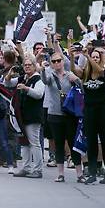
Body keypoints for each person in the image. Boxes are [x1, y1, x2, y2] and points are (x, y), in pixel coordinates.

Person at [76, 48, 105, 185]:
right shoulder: (86, 73)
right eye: (93, 57)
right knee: (92, 142)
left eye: (96, 57)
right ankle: (92, 172)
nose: (94, 59)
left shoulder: (103, 72)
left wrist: (88, 55)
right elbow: (73, 69)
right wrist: (72, 56)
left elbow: (100, 70)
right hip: (90, 111)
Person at [41, 51, 85, 183]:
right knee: (58, 144)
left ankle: (79, 173)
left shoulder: (69, 75)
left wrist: (76, 80)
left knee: (73, 144)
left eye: (58, 60)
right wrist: (43, 69)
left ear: (63, 61)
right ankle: (60, 173)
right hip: (54, 114)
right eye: (54, 61)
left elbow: (82, 89)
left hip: (70, 114)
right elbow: (44, 81)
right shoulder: (50, 75)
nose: (56, 63)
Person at [7, 55, 45, 178]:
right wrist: (8, 76)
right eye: (25, 65)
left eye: (30, 65)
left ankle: (38, 170)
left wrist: (26, 88)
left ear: (35, 66)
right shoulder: (23, 78)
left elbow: (39, 94)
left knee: (34, 143)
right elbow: (7, 83)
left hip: (33, 116)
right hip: (22, 117)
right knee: (24, 143)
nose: (27, 67)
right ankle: (26, 167)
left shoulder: (38, 79)